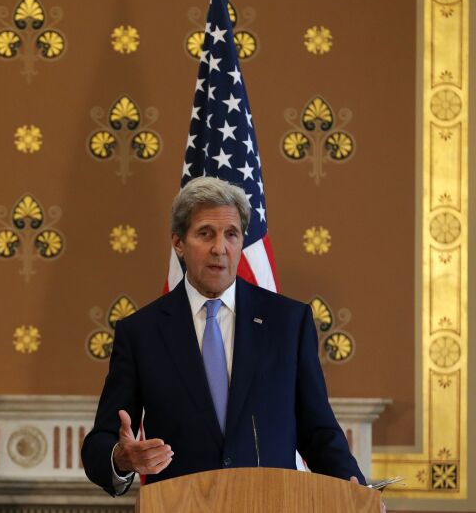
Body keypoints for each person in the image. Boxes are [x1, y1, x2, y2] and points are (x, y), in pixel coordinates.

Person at [81, 177, 365, 496]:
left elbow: (318, 431)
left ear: (242, 241)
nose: (220, 248)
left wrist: (357, 493)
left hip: (271, 503)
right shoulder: (141, 332)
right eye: (205, 233)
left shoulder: (288, 322)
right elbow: (100, 443)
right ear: (178, 243)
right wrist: (121, 458)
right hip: (181, 505)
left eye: (231, 234)